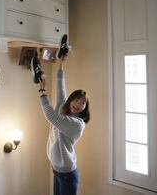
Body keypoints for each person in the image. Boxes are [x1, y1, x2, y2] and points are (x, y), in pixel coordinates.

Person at [31, 34, 90, 195]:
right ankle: (53, 62)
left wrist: (42, 88)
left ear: (85, 108)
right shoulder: (63, 108)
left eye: (82, 103)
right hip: (56, 170)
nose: (78, 104)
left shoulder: (77, 124)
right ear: (71, 100)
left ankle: (40, 77)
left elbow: (51, 117)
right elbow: (61, 88)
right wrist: (60, 63)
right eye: (77, 100)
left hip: (68, 174)